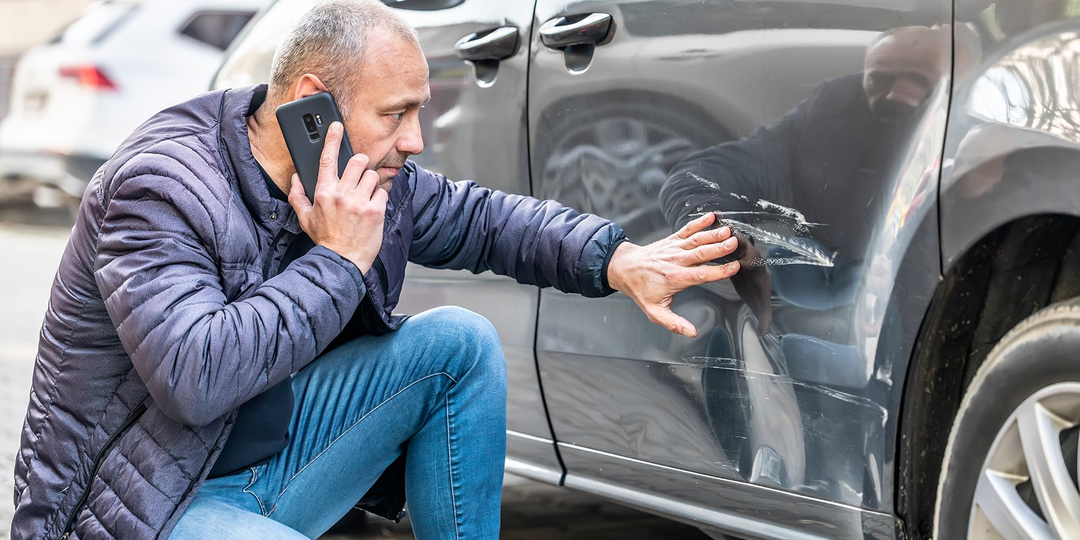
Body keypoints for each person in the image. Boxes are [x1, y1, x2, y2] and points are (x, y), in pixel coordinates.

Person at [10, 1, 742, 539]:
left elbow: (484, 220)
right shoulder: (161, 186)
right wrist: (337, 260)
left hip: (268, 467)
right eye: (395, 114)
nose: (415, 140)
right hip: (142, 508)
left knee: (457, 343)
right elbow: (194, 379)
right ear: (312, 105)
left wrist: (617, 260)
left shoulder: (358, 175)